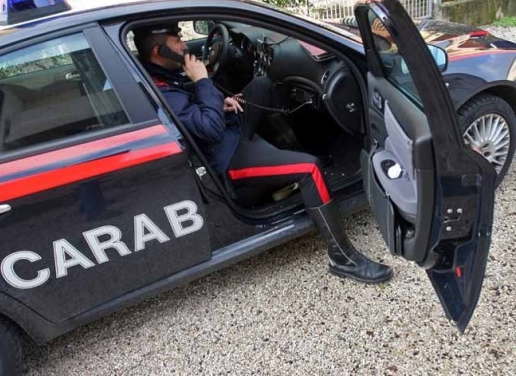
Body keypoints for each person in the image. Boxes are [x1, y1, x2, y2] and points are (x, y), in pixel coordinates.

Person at [133, 23, 393, 284]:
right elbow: (209, 129)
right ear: (159, 51)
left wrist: (216, 102)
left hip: (227, 132)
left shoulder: (158, 76)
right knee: (311, 169)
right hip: (227, 156)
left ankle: (284, 159)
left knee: (262, 85)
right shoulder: (161, 88)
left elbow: (191, 115)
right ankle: (343, 258)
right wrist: (203, 81)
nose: (184, 45)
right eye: (177, 40)